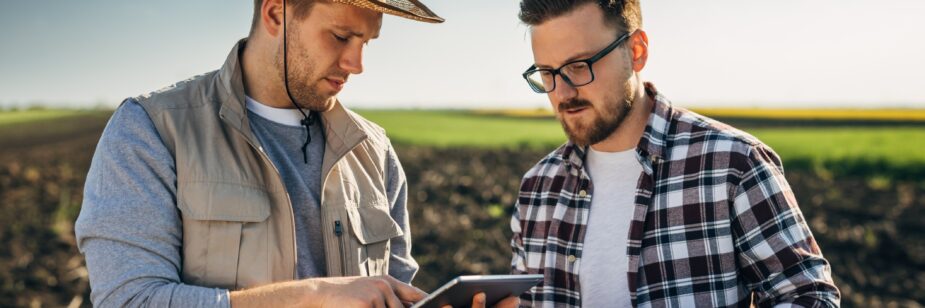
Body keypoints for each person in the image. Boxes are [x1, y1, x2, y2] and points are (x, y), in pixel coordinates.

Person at [73, 1, 503, 307]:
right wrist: (311, 297)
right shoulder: (151, 129)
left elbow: (396, 292)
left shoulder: (375, 151)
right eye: (340, 36)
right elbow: (130, 299)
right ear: (276, 13)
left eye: (367, 42)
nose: (356, 64)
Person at [509, 1, 841, 307]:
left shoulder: (733, 164)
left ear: (636, 51)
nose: (563, 92)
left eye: (579, 66)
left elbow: (809, 296)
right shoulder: (537, 187)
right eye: (547, 73)